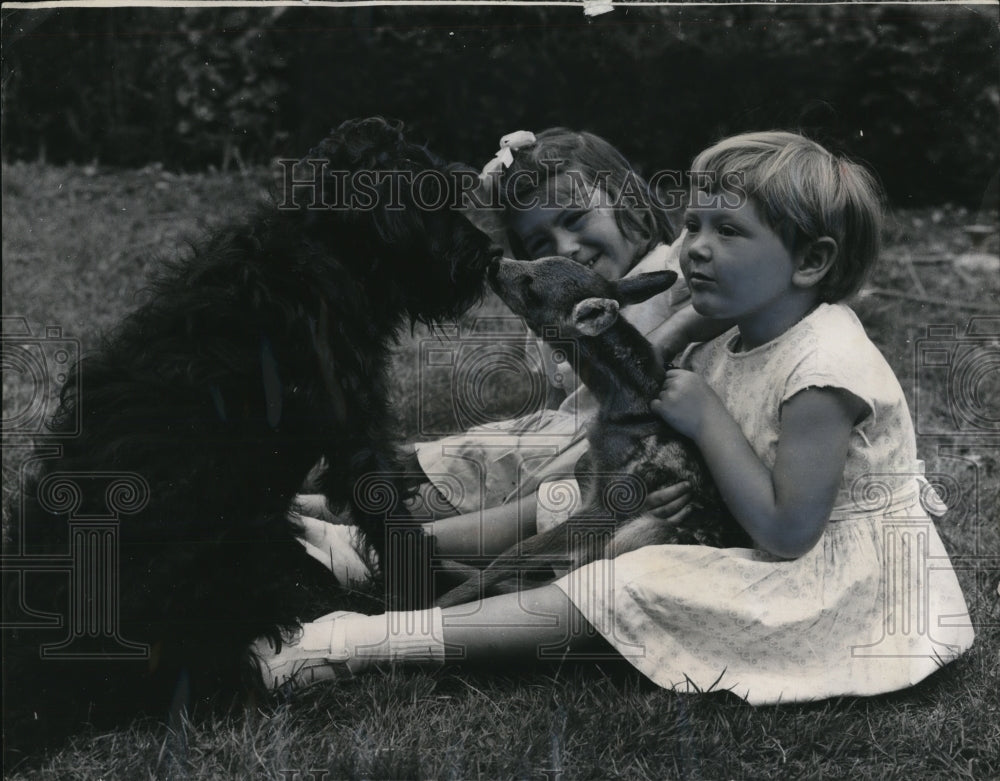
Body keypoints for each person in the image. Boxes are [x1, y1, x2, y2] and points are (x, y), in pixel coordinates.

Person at [258, 130, 976, 703]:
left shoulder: (825, 369)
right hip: (731, 530)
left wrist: (707, 422)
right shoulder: (737, 322)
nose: (695, 246)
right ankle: (395, 559)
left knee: (622, 586)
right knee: (573, 499)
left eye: (728, 230)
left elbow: (789, 533)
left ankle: (363, 641)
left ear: (810, 262)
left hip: (827, 588)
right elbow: (675, 388)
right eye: (692, 223)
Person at [294, 128, 725, 574]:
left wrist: (670, 334)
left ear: (627, 200)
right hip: (565, 435)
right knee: (467, 457)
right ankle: (317, 508)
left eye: (576, 218)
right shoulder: (562, 296)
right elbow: (561, 400)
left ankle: (371, 545)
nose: (566, 248)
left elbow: (733, 287)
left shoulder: (672, 271)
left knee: (527, 479)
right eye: (540, 244)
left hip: (624, 448)